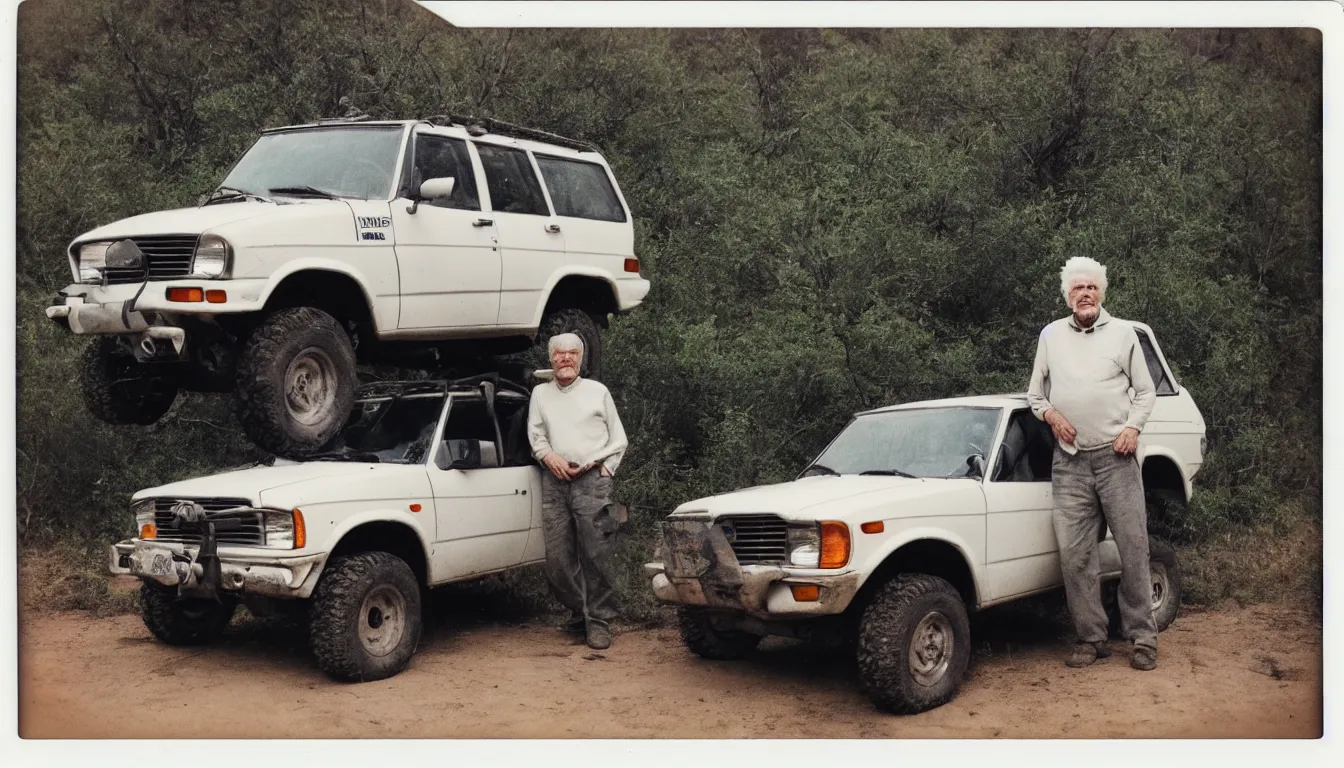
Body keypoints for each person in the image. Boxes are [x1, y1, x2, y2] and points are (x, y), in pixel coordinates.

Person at [1026, 256, 1159, 671]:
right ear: (1067, 296)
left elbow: (1145, 391)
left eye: (1092, 287)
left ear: (1102, 292)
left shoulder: (1124, 335)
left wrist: (1133, 429)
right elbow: (1035, 395)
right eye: (1077, 288)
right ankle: (1091, 638)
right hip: (1069, 464)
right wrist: (1052, 416)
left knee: (1133, 549)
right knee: (1076, 555)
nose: (1085, 293)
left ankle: (1142, 638)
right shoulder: (1050, 336)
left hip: (1116, 458)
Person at [526, 333, 628, 650]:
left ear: (581, 359)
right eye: (559, 353)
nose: (566, 358)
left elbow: (619, 438)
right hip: (555, 480)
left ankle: (598, 622)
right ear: (551, 359)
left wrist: (605, 468)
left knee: (595, 553)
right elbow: (536, 435)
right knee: (557, 559)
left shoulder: (597, 392)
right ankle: (578, 611)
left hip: (592, 479)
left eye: (572, 353)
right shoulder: (541, 394)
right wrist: (548, 457)